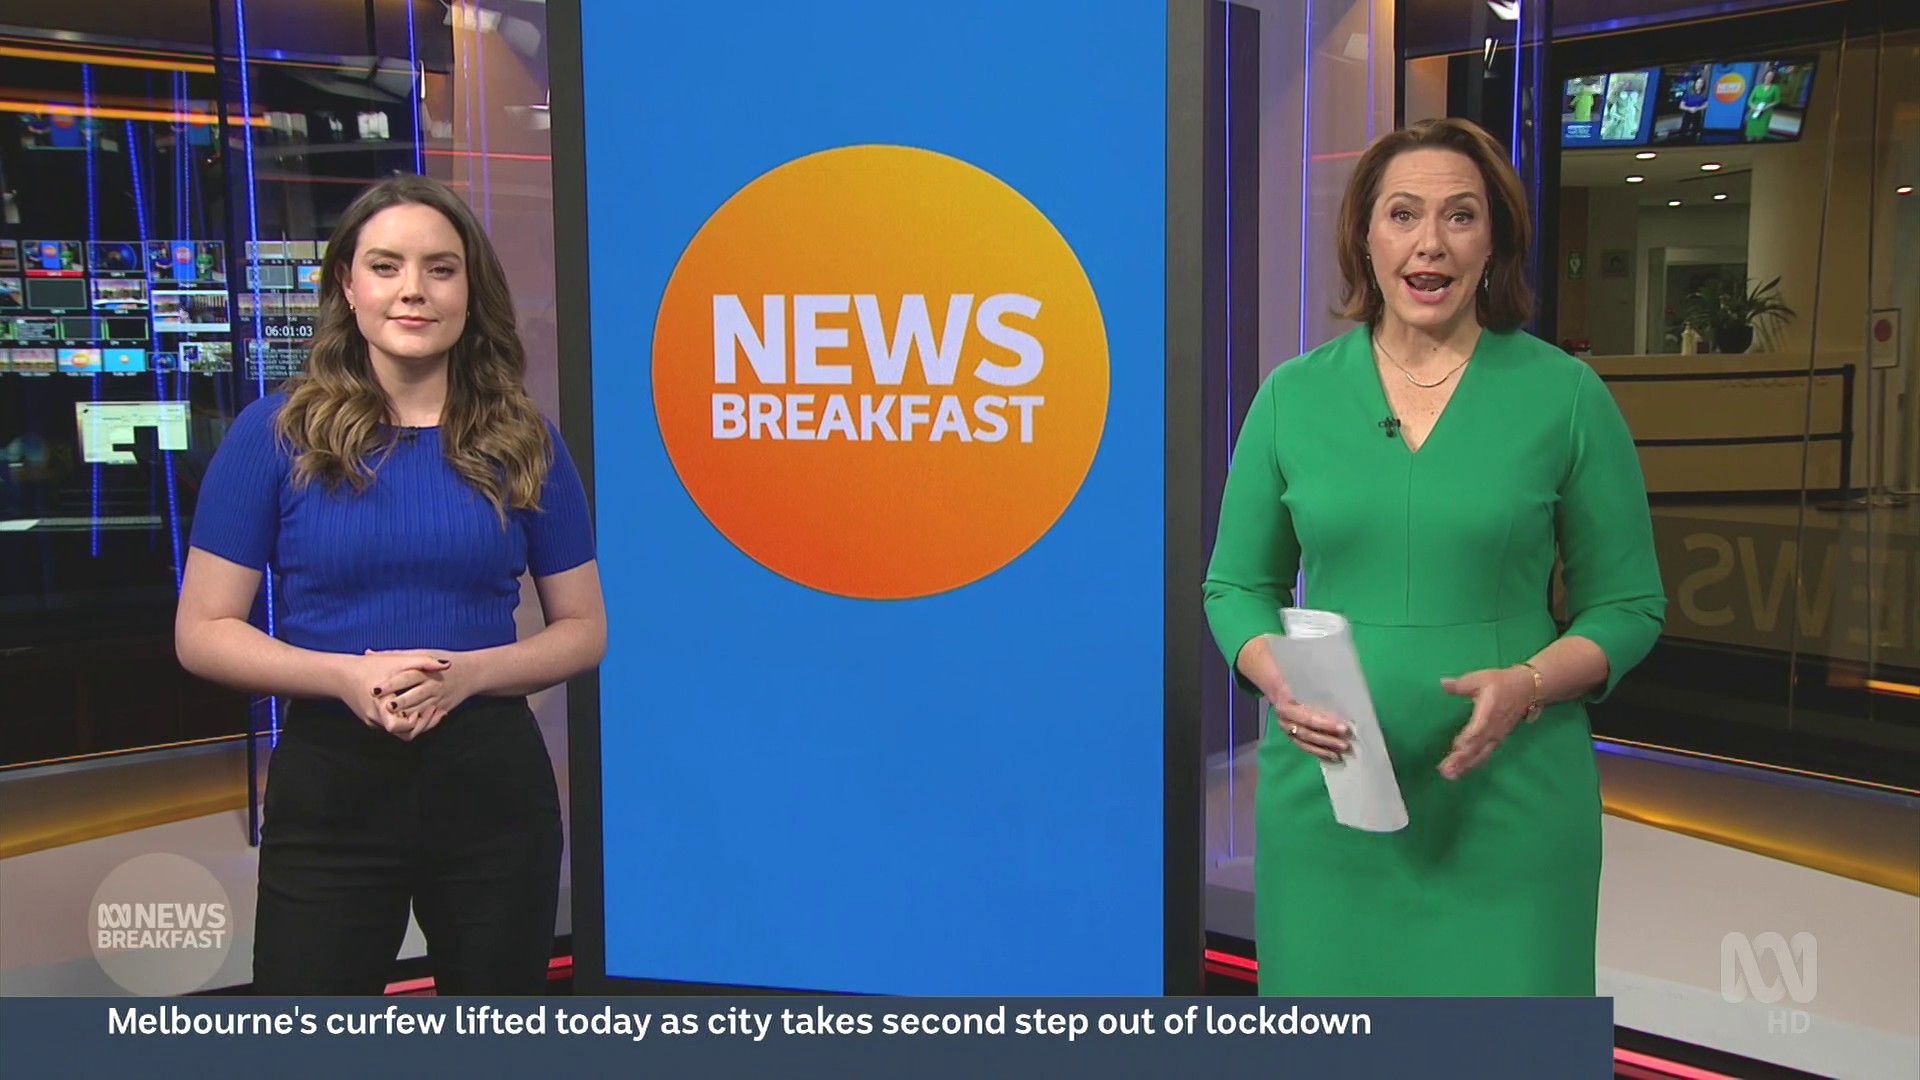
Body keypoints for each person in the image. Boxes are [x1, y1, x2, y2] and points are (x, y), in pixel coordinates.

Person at [1202, 117, 1665, 996]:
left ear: (1494, 243)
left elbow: (1629, 605)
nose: (1431, 242)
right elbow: (1235, 587)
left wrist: (1529, 683)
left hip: (1514, 799)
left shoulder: (1566, 397)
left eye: (1461, 215)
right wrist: (1280, 679)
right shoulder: (1292, 398)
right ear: (1365, 239)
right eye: (1403, 214)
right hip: (1334, 795)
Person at [175, 174, 606, 995]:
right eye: (386, 266)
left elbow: (584, 628)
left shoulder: (526, 440)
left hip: (491, 789)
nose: (414, 290)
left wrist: (468, 674)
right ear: (348, 285)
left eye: (440, 269)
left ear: (470, 290)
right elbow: (202, 631)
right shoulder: (273, 435)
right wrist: (346, 676)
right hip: (330, 786)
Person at [1745, 66, 1783, 142]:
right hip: (1754, 112)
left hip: (1766, 112)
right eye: (1768, 75)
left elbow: (1777, 100)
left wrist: (1767, 106)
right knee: (1750, 133)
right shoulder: (1757, 87)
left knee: (1760, 133)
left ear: (1773, 78)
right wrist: (1753, 107)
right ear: (1765, 76)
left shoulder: (1775, 88)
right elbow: (1750, 100)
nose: (1769, 77)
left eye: (1771, 76)